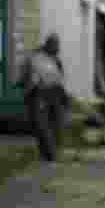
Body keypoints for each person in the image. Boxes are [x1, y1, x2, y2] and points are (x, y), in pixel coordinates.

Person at [19, 33, 69, 162]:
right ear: (49, 45)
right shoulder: (36, 58)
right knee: (42, 126)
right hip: (39, 94)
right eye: (55, 46)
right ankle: (49, 154)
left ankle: (50, 153)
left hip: (53, 93)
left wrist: (63, 96)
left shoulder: (54, 59)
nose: (58, 49)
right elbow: (29, 77)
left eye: (58, 46)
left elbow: (59, 77)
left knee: (55, 124)